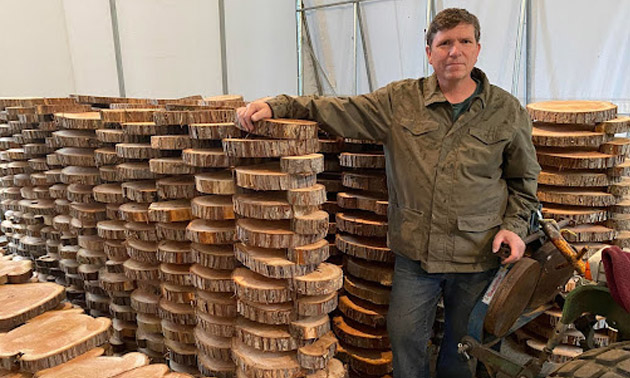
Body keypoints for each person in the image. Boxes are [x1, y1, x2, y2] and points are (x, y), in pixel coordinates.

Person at [236, 8, 540, 378]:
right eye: (444, 43)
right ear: (429, 52)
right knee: (405, 338)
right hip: (416, 255)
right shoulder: (400, 102)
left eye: (464, 41)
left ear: (478, 49)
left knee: (463, 349)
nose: (454, 51)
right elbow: (338, 108)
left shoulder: (506, 111)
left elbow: (523, 181)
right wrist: (279, 105)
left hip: (477, 255)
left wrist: (514, 227)